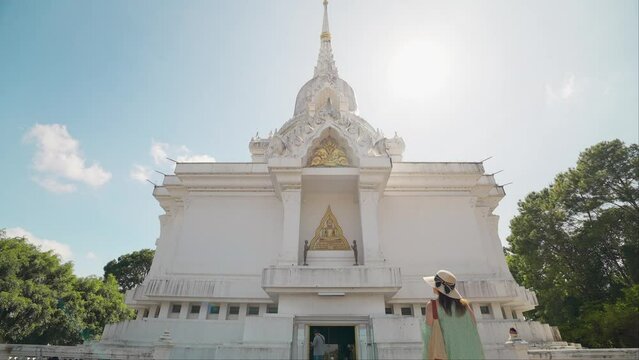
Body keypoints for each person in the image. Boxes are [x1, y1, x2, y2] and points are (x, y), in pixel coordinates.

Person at [422, 270, 485, 360]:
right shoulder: (464, 305)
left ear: (437, 287)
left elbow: (429, 333)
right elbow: (473, 325)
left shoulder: (432, 306)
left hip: (444, 353)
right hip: (469, 352)